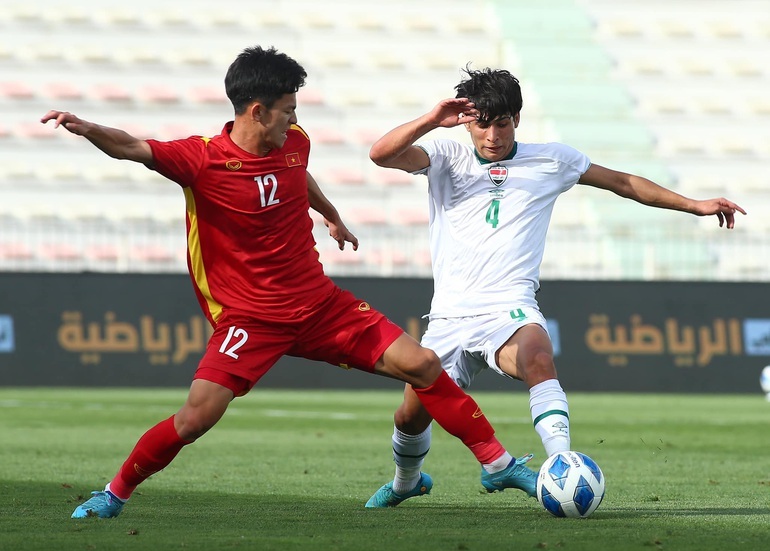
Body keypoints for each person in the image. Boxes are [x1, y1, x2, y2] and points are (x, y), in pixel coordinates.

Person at [41, 47, 539, 519]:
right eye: (288, 110)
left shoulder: (293, 144)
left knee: (424, 364)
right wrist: (86, 128)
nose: (296, 120)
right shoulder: (202, 159)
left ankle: (498, 464)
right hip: (250, 320)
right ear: (256, 111)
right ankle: (114, 493)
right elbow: (130, 146)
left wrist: (331, 215)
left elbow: (297, 175)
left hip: (321, 306)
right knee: (194, 419)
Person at [364, 66, 746, 508]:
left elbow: (624, 183)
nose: (492, 135)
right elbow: (380, 154)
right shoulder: (446, 155)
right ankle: (407, 482)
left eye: (502, 123)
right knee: (410, 416)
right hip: (449, 316)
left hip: (508, 307)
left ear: (518, 119)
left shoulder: (552, 159)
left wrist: (695, 205)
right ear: (467, 122)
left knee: (539, 358)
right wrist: (432, 119)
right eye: (482, 124)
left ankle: (563, 466)